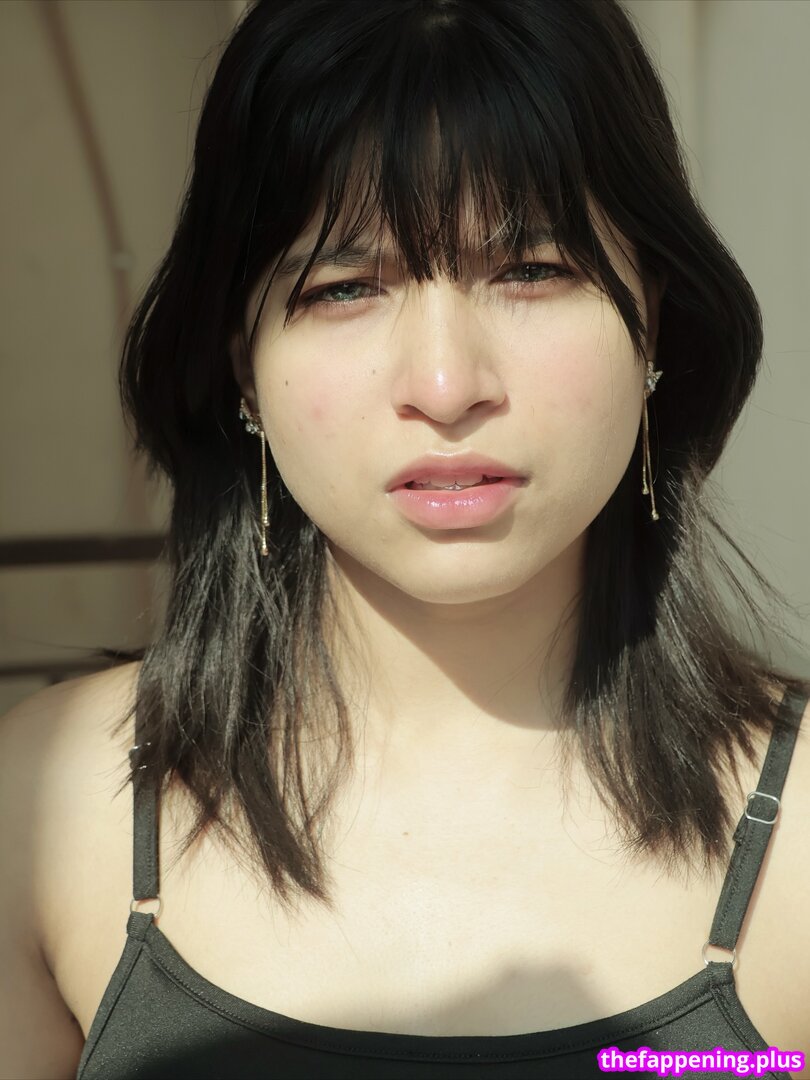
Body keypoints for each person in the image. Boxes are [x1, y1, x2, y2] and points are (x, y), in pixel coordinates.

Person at [1, 0, 809, 1076]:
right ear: (242, 362)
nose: (444, 384)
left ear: (653, 318)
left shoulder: (799, 836)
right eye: (345, 287)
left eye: (530, 270)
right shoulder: (51, 810)